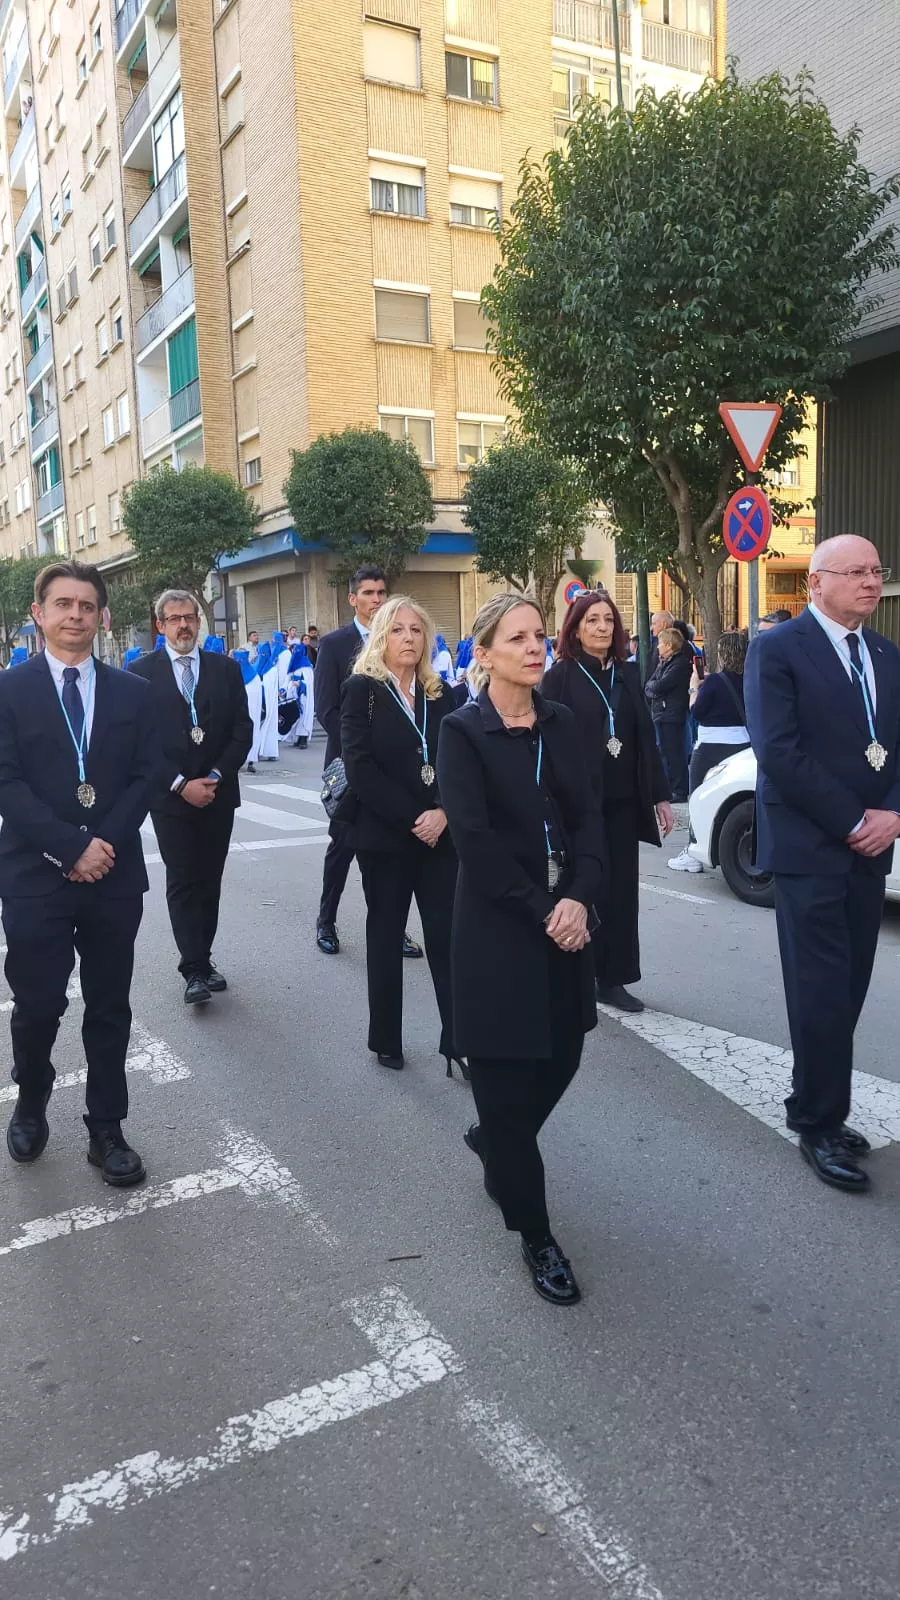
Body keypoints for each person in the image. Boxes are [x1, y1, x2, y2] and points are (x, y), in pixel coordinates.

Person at [438, 594, 605, 1306]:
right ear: (485, 654)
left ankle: (498, 1144)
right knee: (506, 1084)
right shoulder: (461, 731)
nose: (535, 648)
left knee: (563, 1054)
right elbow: (474, 844)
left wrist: (578, 898)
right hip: (499, 930)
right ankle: (537, 1237)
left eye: (540, 636)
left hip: (564, 919)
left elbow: (589, 820)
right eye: (518, 638)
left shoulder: (561, 722)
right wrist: (545, 909)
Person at [744, 535, 900, 1194]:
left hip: (871, 851)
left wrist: (893, 812)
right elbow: (779, 751)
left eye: (876, 571)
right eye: (857, 572)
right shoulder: (777, 650)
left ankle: (823, 1103)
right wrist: (852, 819)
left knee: (851, 988)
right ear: (816, 583)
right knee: (820, 995)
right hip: (812, 851)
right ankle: (815, 1122)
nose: (871, 581)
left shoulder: (887, 655)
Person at [0, 561, 156, 1186]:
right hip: (34, 877)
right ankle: (32, 1094)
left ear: (102, 616)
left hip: (112, 875)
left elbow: (148, 775)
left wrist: (102, 844)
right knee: (38, 1004)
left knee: (109, 1005)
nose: (74, 616)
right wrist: (69, 848)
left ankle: (106, 1127)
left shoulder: (133, 692)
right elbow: (6, 783)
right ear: (38, 614)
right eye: (62, 604)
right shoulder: (9, 690)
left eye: (86, 606)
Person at [340, 596, 460, 1073]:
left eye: (416, 630)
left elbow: (459, 761)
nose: (408, 638)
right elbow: (360, 768)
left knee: (448, 937)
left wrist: (444, 812)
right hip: (386, 837)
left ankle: (459, 1040)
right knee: (386, 935)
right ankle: (386, 1037)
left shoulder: (441, 693)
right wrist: (416, 818)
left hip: (440, 836)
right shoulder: (361, 690)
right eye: (398, 630)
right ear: (380, 637)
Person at [544, 590, 674, 1013]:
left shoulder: (629, 674)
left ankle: (612, 977)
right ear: (575, 628)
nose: (602, 628)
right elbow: (546, 742)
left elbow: (644, 741)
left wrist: (660, 797)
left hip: (622, 802)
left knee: (620, 892)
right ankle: (573, 971)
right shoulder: (560, 676)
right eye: (592, 621)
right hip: (578, 802)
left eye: (608, 621)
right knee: (582, 886)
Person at [129, 590, 253, 1005]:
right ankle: (193, 968)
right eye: (174, 619)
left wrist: (216, 774)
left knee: (210, 879)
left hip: (219, 791)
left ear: (199, 623)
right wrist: (182, 784)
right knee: (183, 879)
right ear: (160, 625)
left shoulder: (226, 669)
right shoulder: (139, 673)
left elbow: (242, 729)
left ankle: (204, 956)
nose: (183, 625)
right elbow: (141, 743)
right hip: (170, 798)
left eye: (189, 618)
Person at [313, 565, 422, 961]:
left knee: (392, 856)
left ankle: (394, 929)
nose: (376, 599)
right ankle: (326, 920)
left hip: (395, 772)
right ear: (352, 599)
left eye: (381, 592)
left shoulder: (403, 642)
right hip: (350, 769)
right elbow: (326, 709)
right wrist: (361, 751)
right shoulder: (335, 644)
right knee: (342, 850)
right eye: (369, 593)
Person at [668, 631, 750, 874]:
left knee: (698, 796)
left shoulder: (714, 681)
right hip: (743, 745)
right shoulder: (750, 679)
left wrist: (694, 688)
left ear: (723, 654)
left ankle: (694, 852)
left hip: (711, 746)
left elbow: (697, 712)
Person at [644, 627, 692, 800]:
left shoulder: (679, 664)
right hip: (662, 712)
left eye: (661, 643)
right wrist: (653, 688)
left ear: (669, 645)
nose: (657, 647)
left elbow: (660, 685)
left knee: (673, 752)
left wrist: (653, 689)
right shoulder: (664, 662)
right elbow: (650, 683)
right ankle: (672, 786)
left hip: (671, 713)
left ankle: (679, 789)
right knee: (665, 751)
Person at [234, 648, 262, 773]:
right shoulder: (232, 675)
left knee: (252, 732)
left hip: (251, 713)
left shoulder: (254, 677)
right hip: (237, 713)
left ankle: (251, 760)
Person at [647, 609, 674, 677]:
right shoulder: (656, 642)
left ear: (664, 625)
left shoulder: (675, 643)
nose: (651, 628)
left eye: (654, 624)